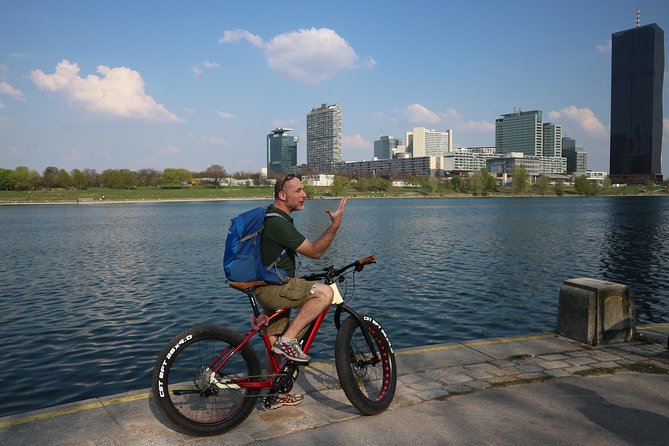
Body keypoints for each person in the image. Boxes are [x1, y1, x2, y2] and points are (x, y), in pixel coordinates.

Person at [254, 174, 347, 408]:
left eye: (304, 190)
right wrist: (335, 225)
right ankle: (288, 340)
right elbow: (315, 251)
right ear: (283, 195)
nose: (305, 195)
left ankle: (272, 394)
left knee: (272, 341)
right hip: (275, 288)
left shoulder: (271, 216)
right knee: (324, 293)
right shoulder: (277, 222)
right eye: (299, 190)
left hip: (267, 285)